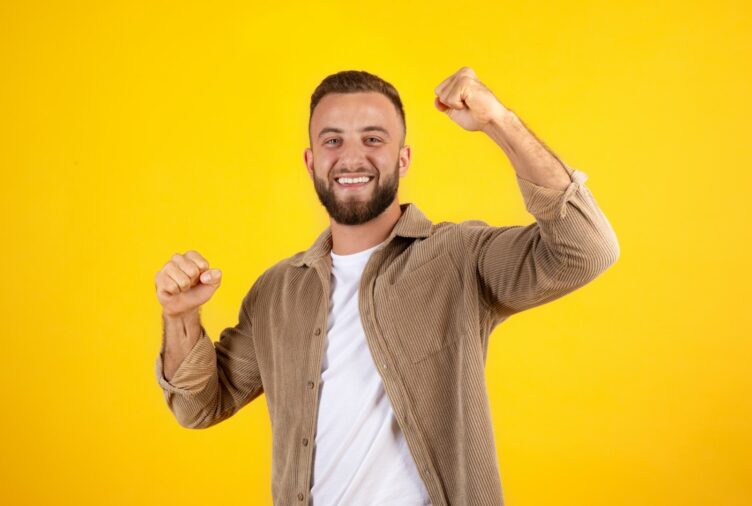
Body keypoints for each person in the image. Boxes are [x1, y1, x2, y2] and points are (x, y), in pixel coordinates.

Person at [154, 67, 620, 506]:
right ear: (311, 161)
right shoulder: (277, 293)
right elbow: (198, 408)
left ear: (404, 158)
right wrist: (180, 318)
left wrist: (499, 121)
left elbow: (587, 248)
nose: (351, 156)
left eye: (373, 138)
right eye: (332, 140)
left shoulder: (458, 256)